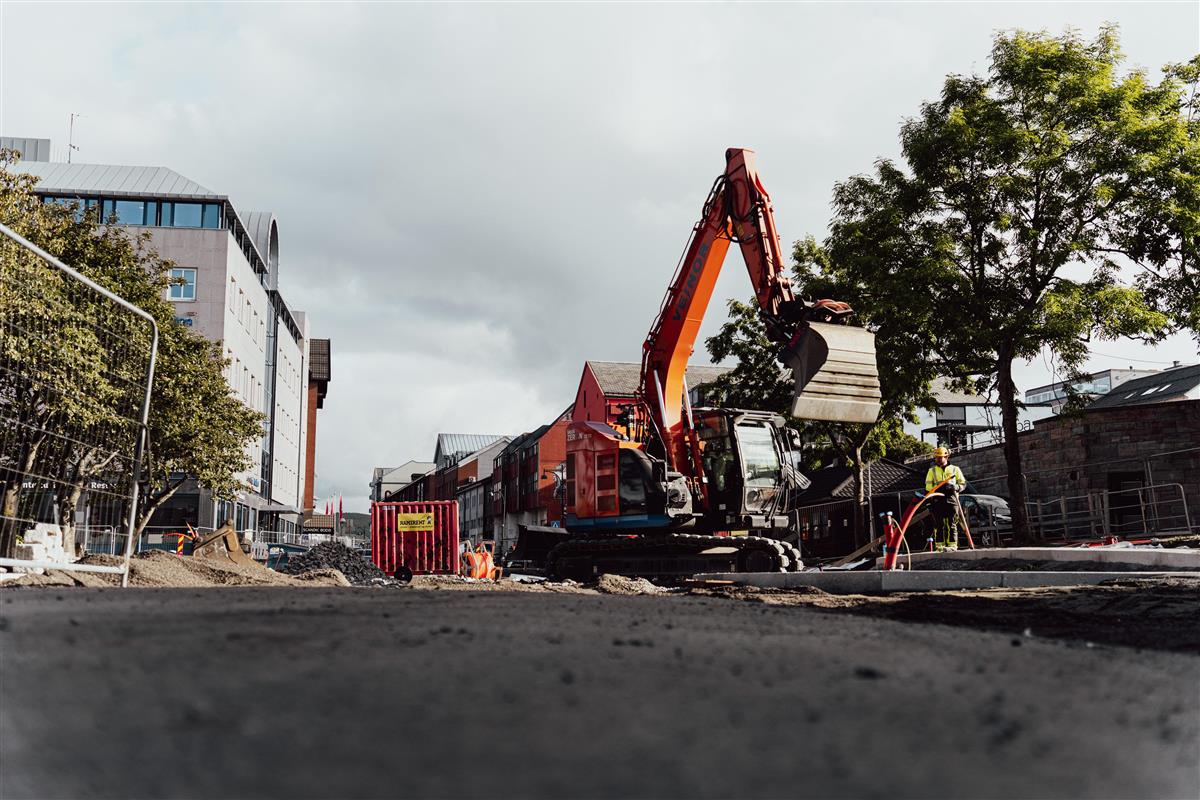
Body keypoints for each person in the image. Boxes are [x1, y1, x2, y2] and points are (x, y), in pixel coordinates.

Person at [925, 446, 965, 551]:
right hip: (937, 500)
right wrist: (929, 502)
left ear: (946, 457)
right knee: (939, 525)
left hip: (952, 499)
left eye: (940, 457)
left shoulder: (955, 469)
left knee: (952, 523)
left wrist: (956, 487)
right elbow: (928, 489)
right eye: (936, 457)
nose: (938, 459)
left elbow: (963, 484)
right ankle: (940, 546)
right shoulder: (931, 471)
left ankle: (952, 546)